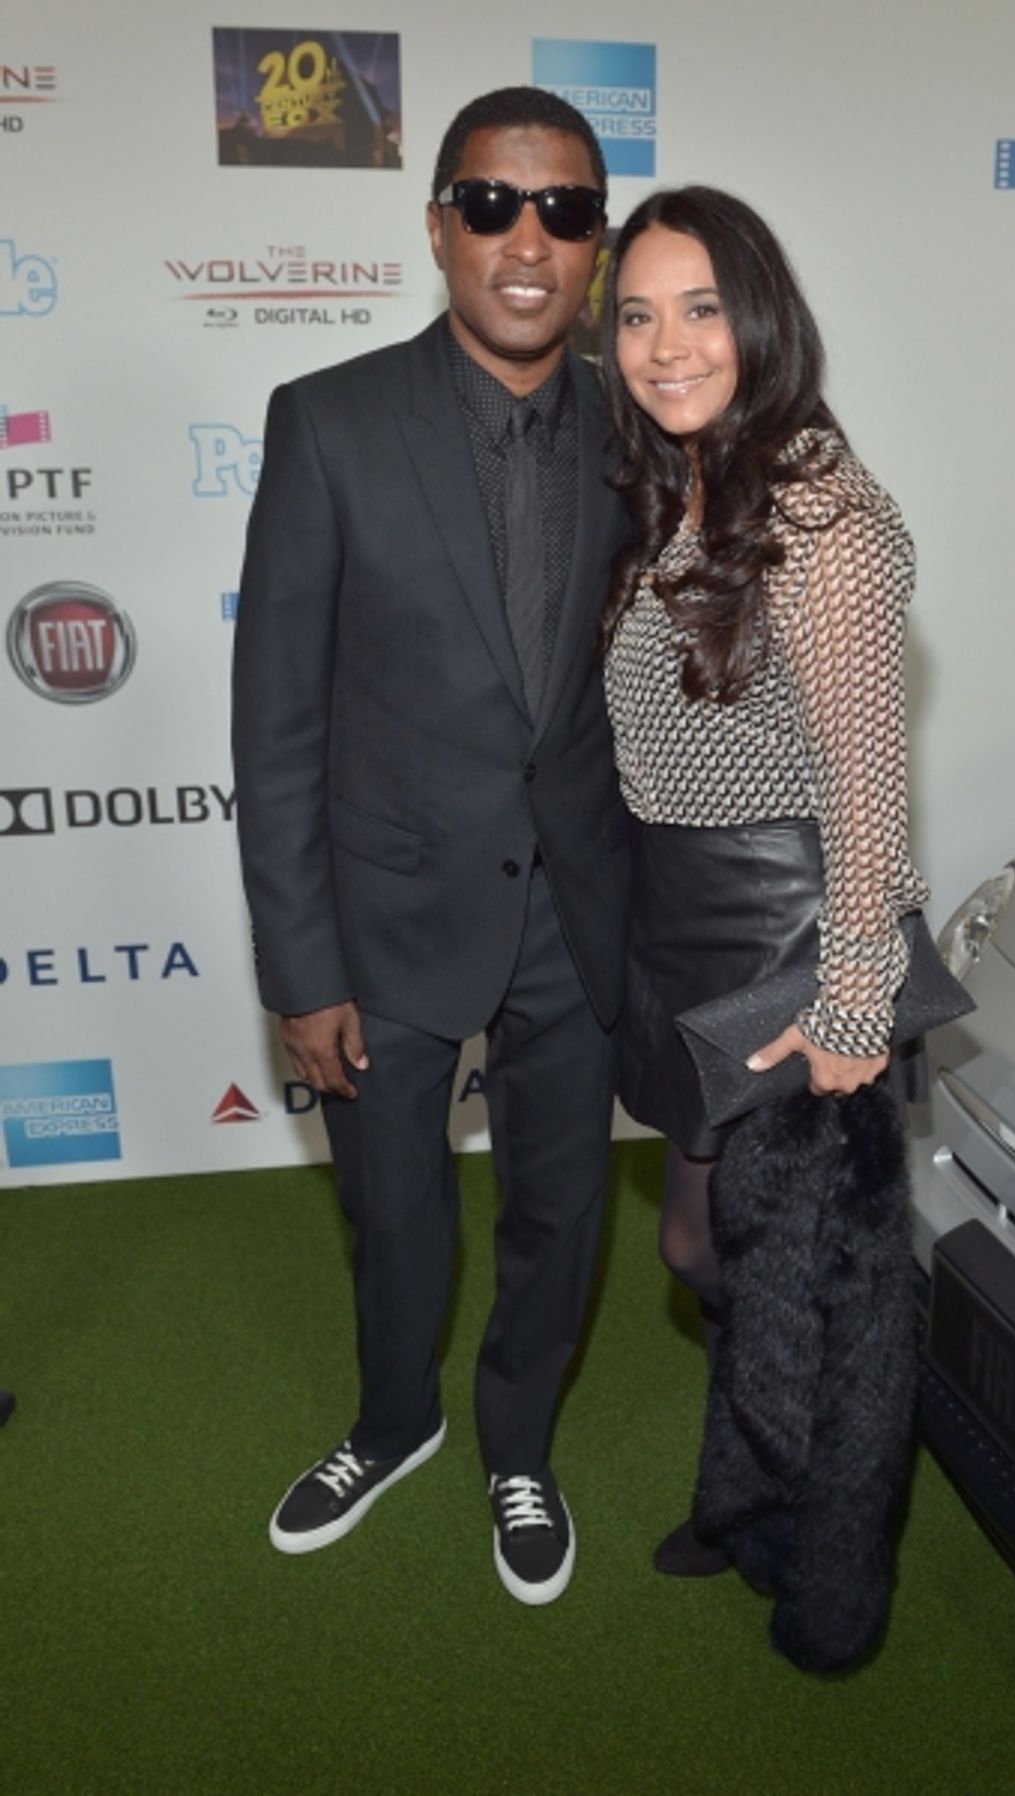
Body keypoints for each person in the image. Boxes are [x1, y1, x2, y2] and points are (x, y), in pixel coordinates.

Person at [231, 87, 630, 1605]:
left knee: (562, 1207)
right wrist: (301, 962)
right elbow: (274, 723)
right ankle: (393, 1420)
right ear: (439, 227)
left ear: (596, 242)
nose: (529, 241)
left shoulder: (644, 424)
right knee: (391, 1206)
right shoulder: (328, 421)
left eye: (567, 211)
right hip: (384, 912)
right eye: (492, 205)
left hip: (581, 913)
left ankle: (516, 1441)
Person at [599, 188, 930, 1580]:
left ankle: (827, 1556)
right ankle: (756, 1482)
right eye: (635, 313)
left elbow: (868, 776)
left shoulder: (820, 511)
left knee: (814, 1281)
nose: (666, 343)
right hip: (687, 935)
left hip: (793, 936)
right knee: (702, 1244)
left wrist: (856, 999)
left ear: (762, 318)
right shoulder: (677, 480)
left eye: (700, 308)